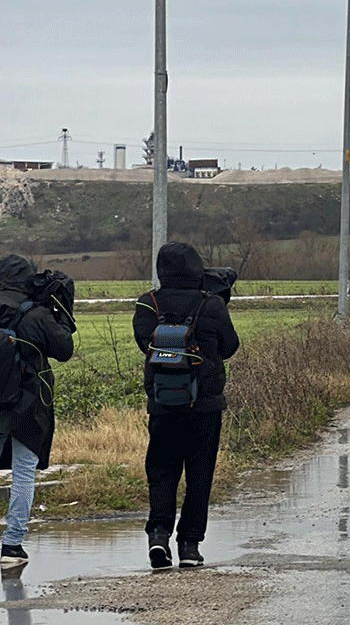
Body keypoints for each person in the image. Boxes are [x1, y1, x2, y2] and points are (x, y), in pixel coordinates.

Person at [132, 242, 239, 569]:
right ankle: (190, 546)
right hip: (205, 405)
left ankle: (159, 537)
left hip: (163, 403)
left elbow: (143, 343)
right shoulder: (211, 304)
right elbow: (230, 345)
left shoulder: (147, 303)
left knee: (162, 471)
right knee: (199, 474)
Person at [0, 255, 75, 569]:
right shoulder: (37, 314)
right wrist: (60, 310)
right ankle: (12, 545)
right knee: (22, 474)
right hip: (30, 404)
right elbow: (65, 350)